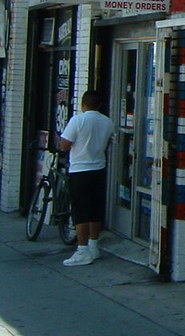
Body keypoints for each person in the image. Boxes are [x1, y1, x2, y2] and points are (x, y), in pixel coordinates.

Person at [59, 89, 114, 267]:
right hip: (99, 167)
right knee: (95, 208)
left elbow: (65, 144)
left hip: (80, 170)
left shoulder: (78, 120)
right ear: (99, 105)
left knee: (80, 211)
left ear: (83, 104)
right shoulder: (107, 122)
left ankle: (82, 250)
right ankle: (94, 245)